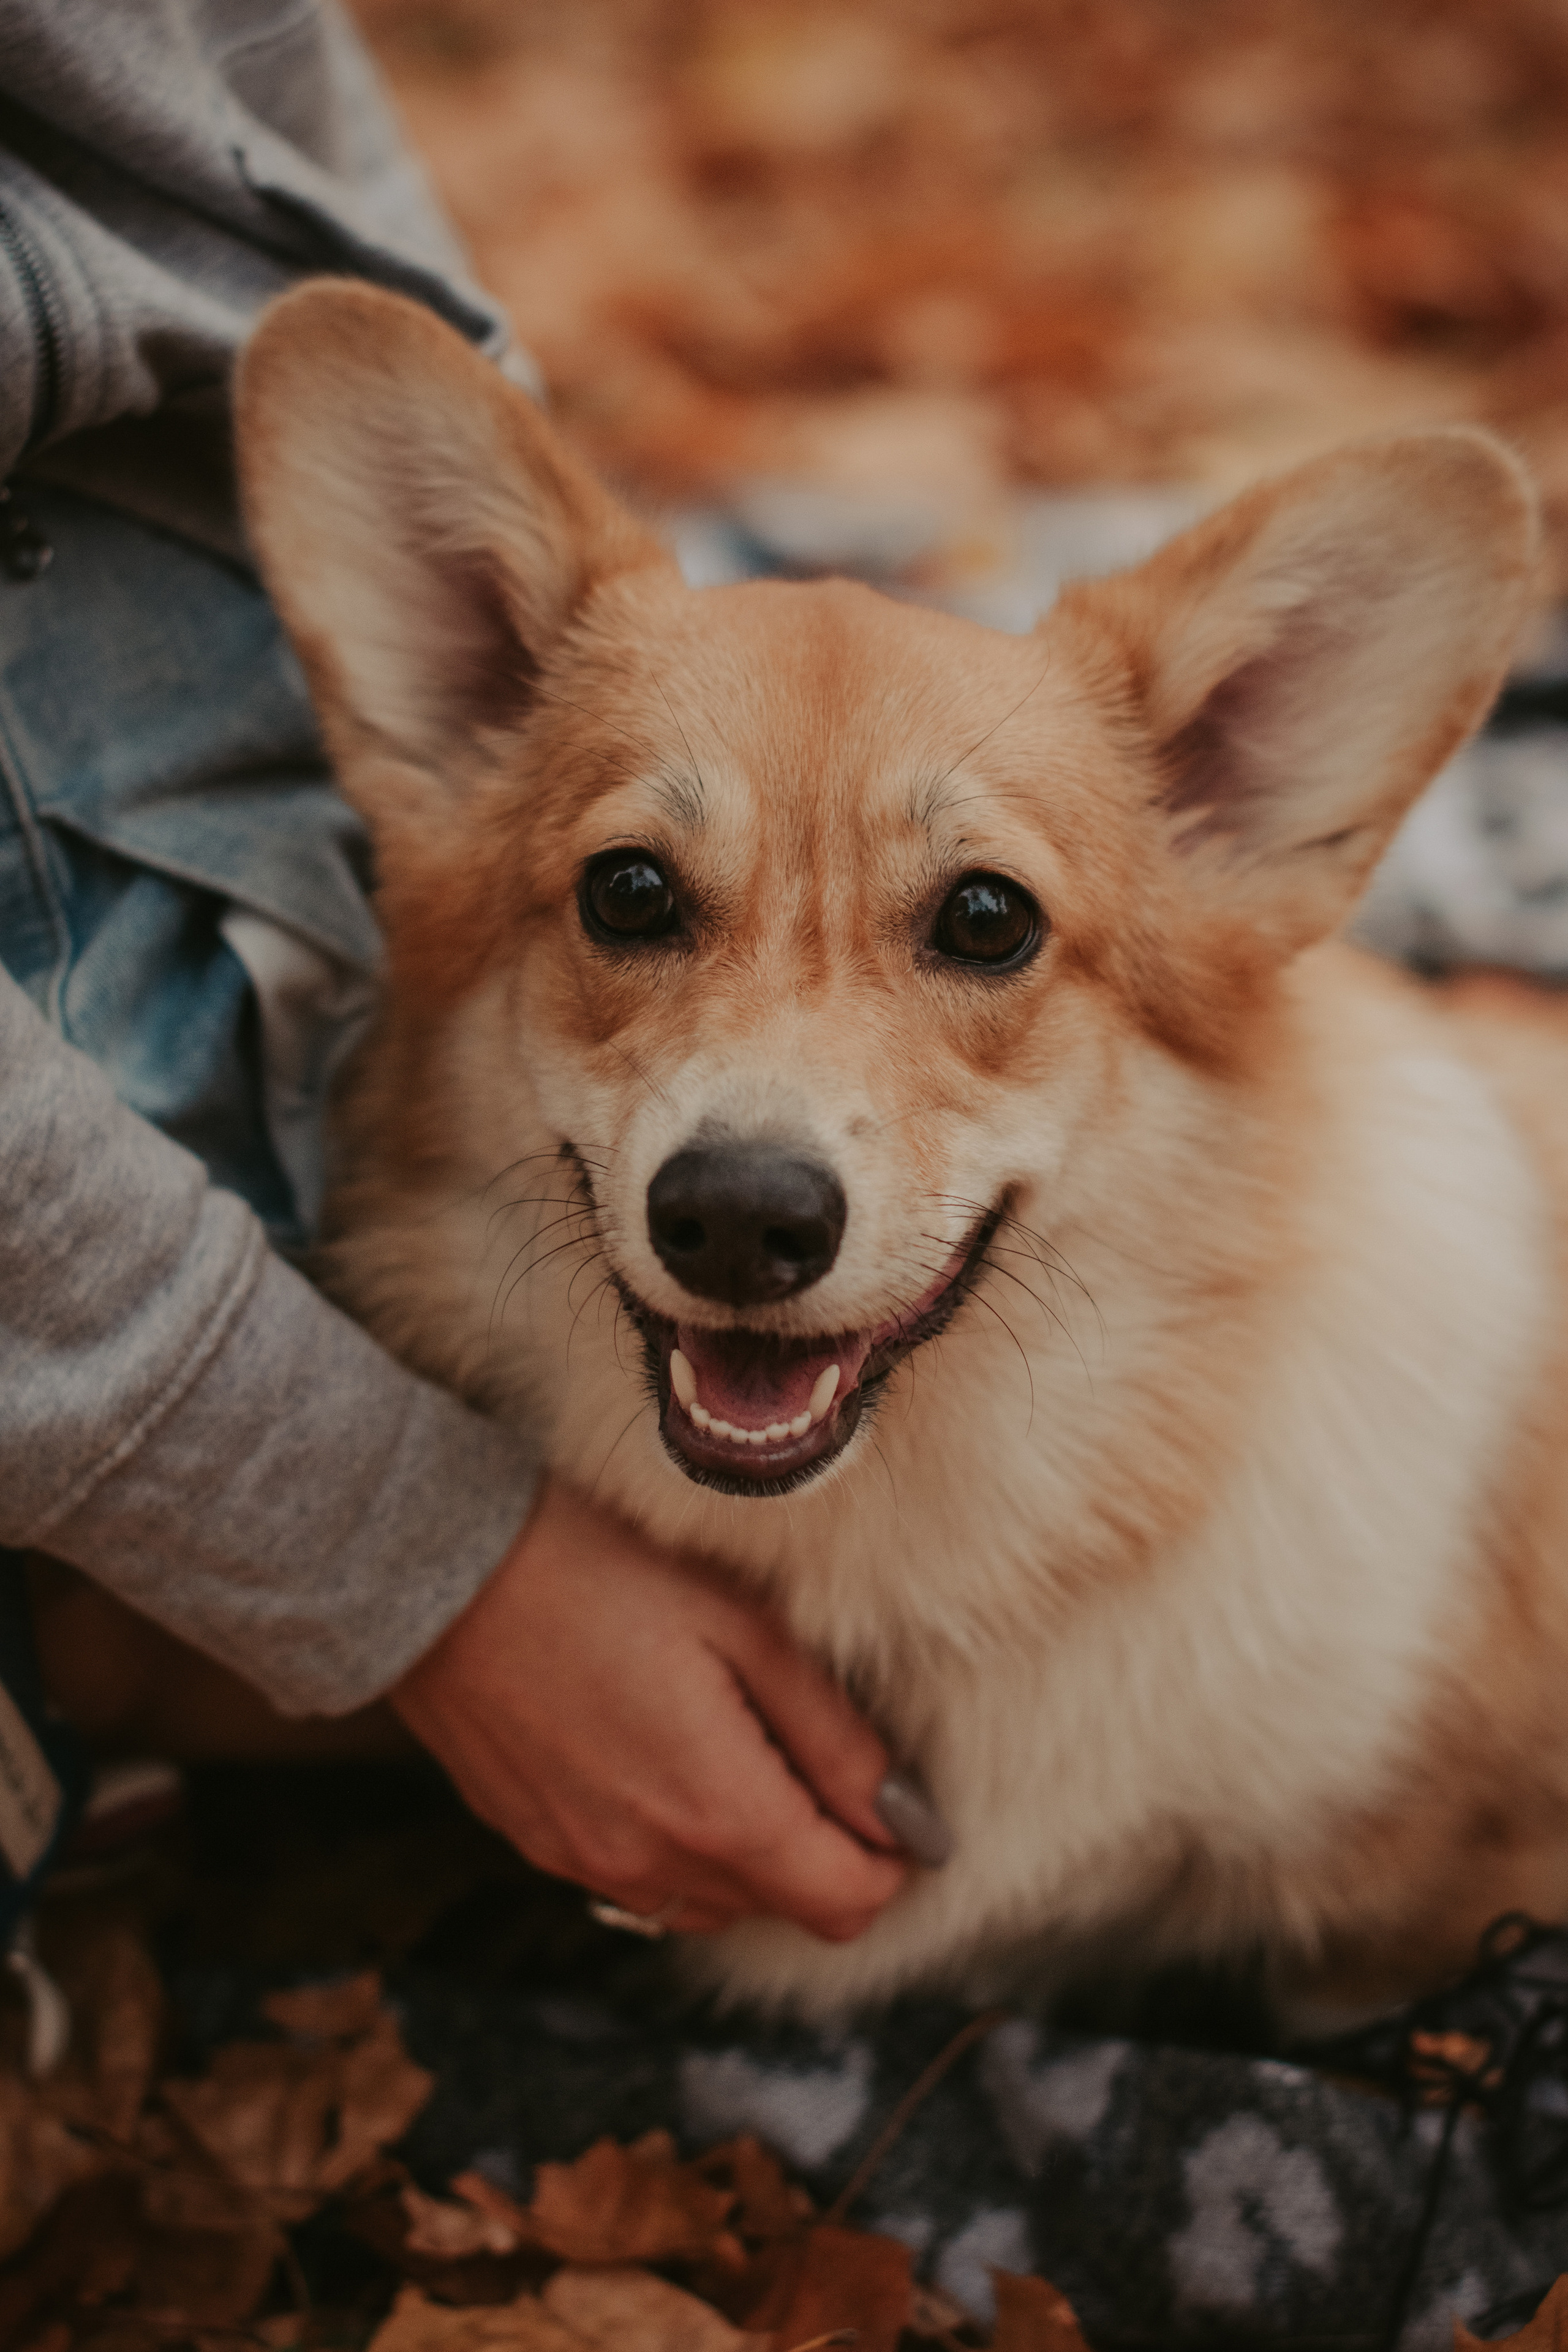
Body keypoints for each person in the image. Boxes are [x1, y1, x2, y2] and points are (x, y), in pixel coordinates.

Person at [0, 0, 910, 1956]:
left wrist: (543, 522)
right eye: (643, 898)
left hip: (216, 614)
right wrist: (410, 1561)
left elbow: (253, 76)